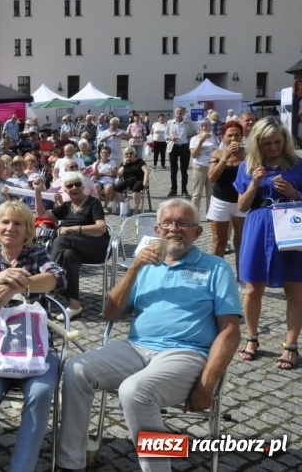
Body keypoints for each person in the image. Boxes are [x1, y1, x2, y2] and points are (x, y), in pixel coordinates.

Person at [55, 199, 240, 472]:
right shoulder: (145, 266)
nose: (174, 229)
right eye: (167, 223)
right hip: (136, 347)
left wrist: (207, 385)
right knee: (76, 369)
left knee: (134, 390)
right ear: (157, 230)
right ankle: (71, 463)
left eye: (183, 223)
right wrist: (134, 268)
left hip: (185, 353)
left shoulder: (215, 268)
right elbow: (111, 313)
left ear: (197, 232)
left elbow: (230, 331)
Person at [0, 201, 66, 472]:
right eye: (5, 222)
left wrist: (17, 285)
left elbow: (57, 278)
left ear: (28, 229)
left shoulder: (37, 254)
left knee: (41, 393)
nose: (10, 228)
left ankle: (22, 468)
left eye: (18, 223)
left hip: (36, 348)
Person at [234, 117, 302, 369]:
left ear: (285, 140)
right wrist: (253, 183)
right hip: (259, 224)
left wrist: (294, 194)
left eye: (277, 142)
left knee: (294, 289)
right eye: (267, 143)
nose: (273, 147)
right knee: (253, 288)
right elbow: (241, 206)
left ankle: (290, 346)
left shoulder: (297, 165)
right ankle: (251, 339)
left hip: (291, 224)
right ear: (257, 143)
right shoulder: (247, 165)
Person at [34, 171, 109, 320]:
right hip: (74, 249)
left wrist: (74, 229)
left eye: (77, 184)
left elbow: (101, 228)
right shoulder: (67, 206)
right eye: (70, 185)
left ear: (83, 186)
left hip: (96, 247)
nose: (74, 188)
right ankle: (75, 305)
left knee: (61, 240)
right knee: (68, 255)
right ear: (65, 190)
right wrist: (37, 192)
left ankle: (49, 281)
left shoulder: (92, 203)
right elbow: (41, 215)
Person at [207, 121, 246, 278]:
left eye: (237, 135)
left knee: (241, 242)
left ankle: (241, 276)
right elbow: (211, 177)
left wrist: (242, 158)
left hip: (242, 202)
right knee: (219, 241)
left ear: (242, 137)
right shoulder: (217, 153)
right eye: (230, 135)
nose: (233, 138)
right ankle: (217, 277)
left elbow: (252, 174)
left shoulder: (248, 154)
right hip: (220, 201)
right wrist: (225, 158)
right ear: (223, 137)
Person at [165, 106, 195, 198]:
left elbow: (193, 133)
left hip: (185, 147)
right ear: (175, 112)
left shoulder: (188, 122)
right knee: (173, 170)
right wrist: (171, 138)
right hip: (173, 147)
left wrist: (190, 138)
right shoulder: (170, 122)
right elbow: (166, 135)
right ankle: (173, 189)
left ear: (184, 113)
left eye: (181, 111)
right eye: (177, 111)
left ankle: (184, 190)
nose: (179, 112)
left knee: (184, 170)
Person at [189, 119, 218, 214]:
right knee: (197, 193)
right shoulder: (194, 139)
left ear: (209, 127)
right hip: (200, 167)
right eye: (202, 126)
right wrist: (201, 142)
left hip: (212, 168)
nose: (204, 127)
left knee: (211, 193)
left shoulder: (214, 137)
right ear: (199, 128)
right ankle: (194, 214)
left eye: (206, 125)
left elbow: (218, 152)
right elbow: (193, 155)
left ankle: (209, 214)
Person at [114, 148, 149, 216]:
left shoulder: (139, 161)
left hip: (139, 180)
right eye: (126, 154)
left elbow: (146, 171)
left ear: (134, 154)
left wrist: (145, 181)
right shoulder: (123, 163)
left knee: (136, 188)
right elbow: (119, 174)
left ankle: (136, 210)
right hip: (128, 180)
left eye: (131, 153)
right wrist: (124, 164)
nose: (129, 155)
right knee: (118, 187)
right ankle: (121, 207)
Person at [92, 146, 116, 213]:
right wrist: (96, 166)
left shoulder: (112, 162)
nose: (104, 154)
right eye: (103, 153)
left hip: (109, 180)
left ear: (109, 154)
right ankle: (99, 206)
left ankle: (105, 206)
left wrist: (103, 174)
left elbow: (114, 174)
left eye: (106, 153)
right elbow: (95, 175)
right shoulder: (96, 163)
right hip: (99, 180)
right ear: (100, 153)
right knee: (95, 187)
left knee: (109, 187)